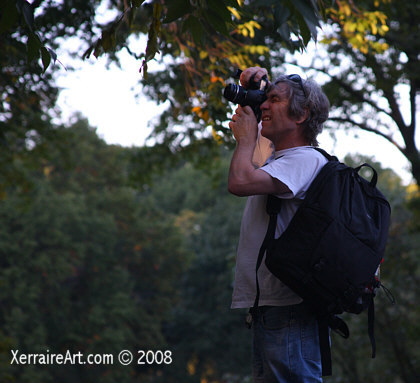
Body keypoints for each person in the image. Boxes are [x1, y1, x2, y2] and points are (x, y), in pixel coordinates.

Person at [228, 67, 330, 383]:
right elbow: (250, 150)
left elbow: (240, 180)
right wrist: (249, 87)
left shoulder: (305, 160)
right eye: (265, 100)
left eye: (274, 100)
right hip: (272, 307)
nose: (265, 107)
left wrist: (246, 137)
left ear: (302, 116)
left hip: (287, 308)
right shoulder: (279, 159)